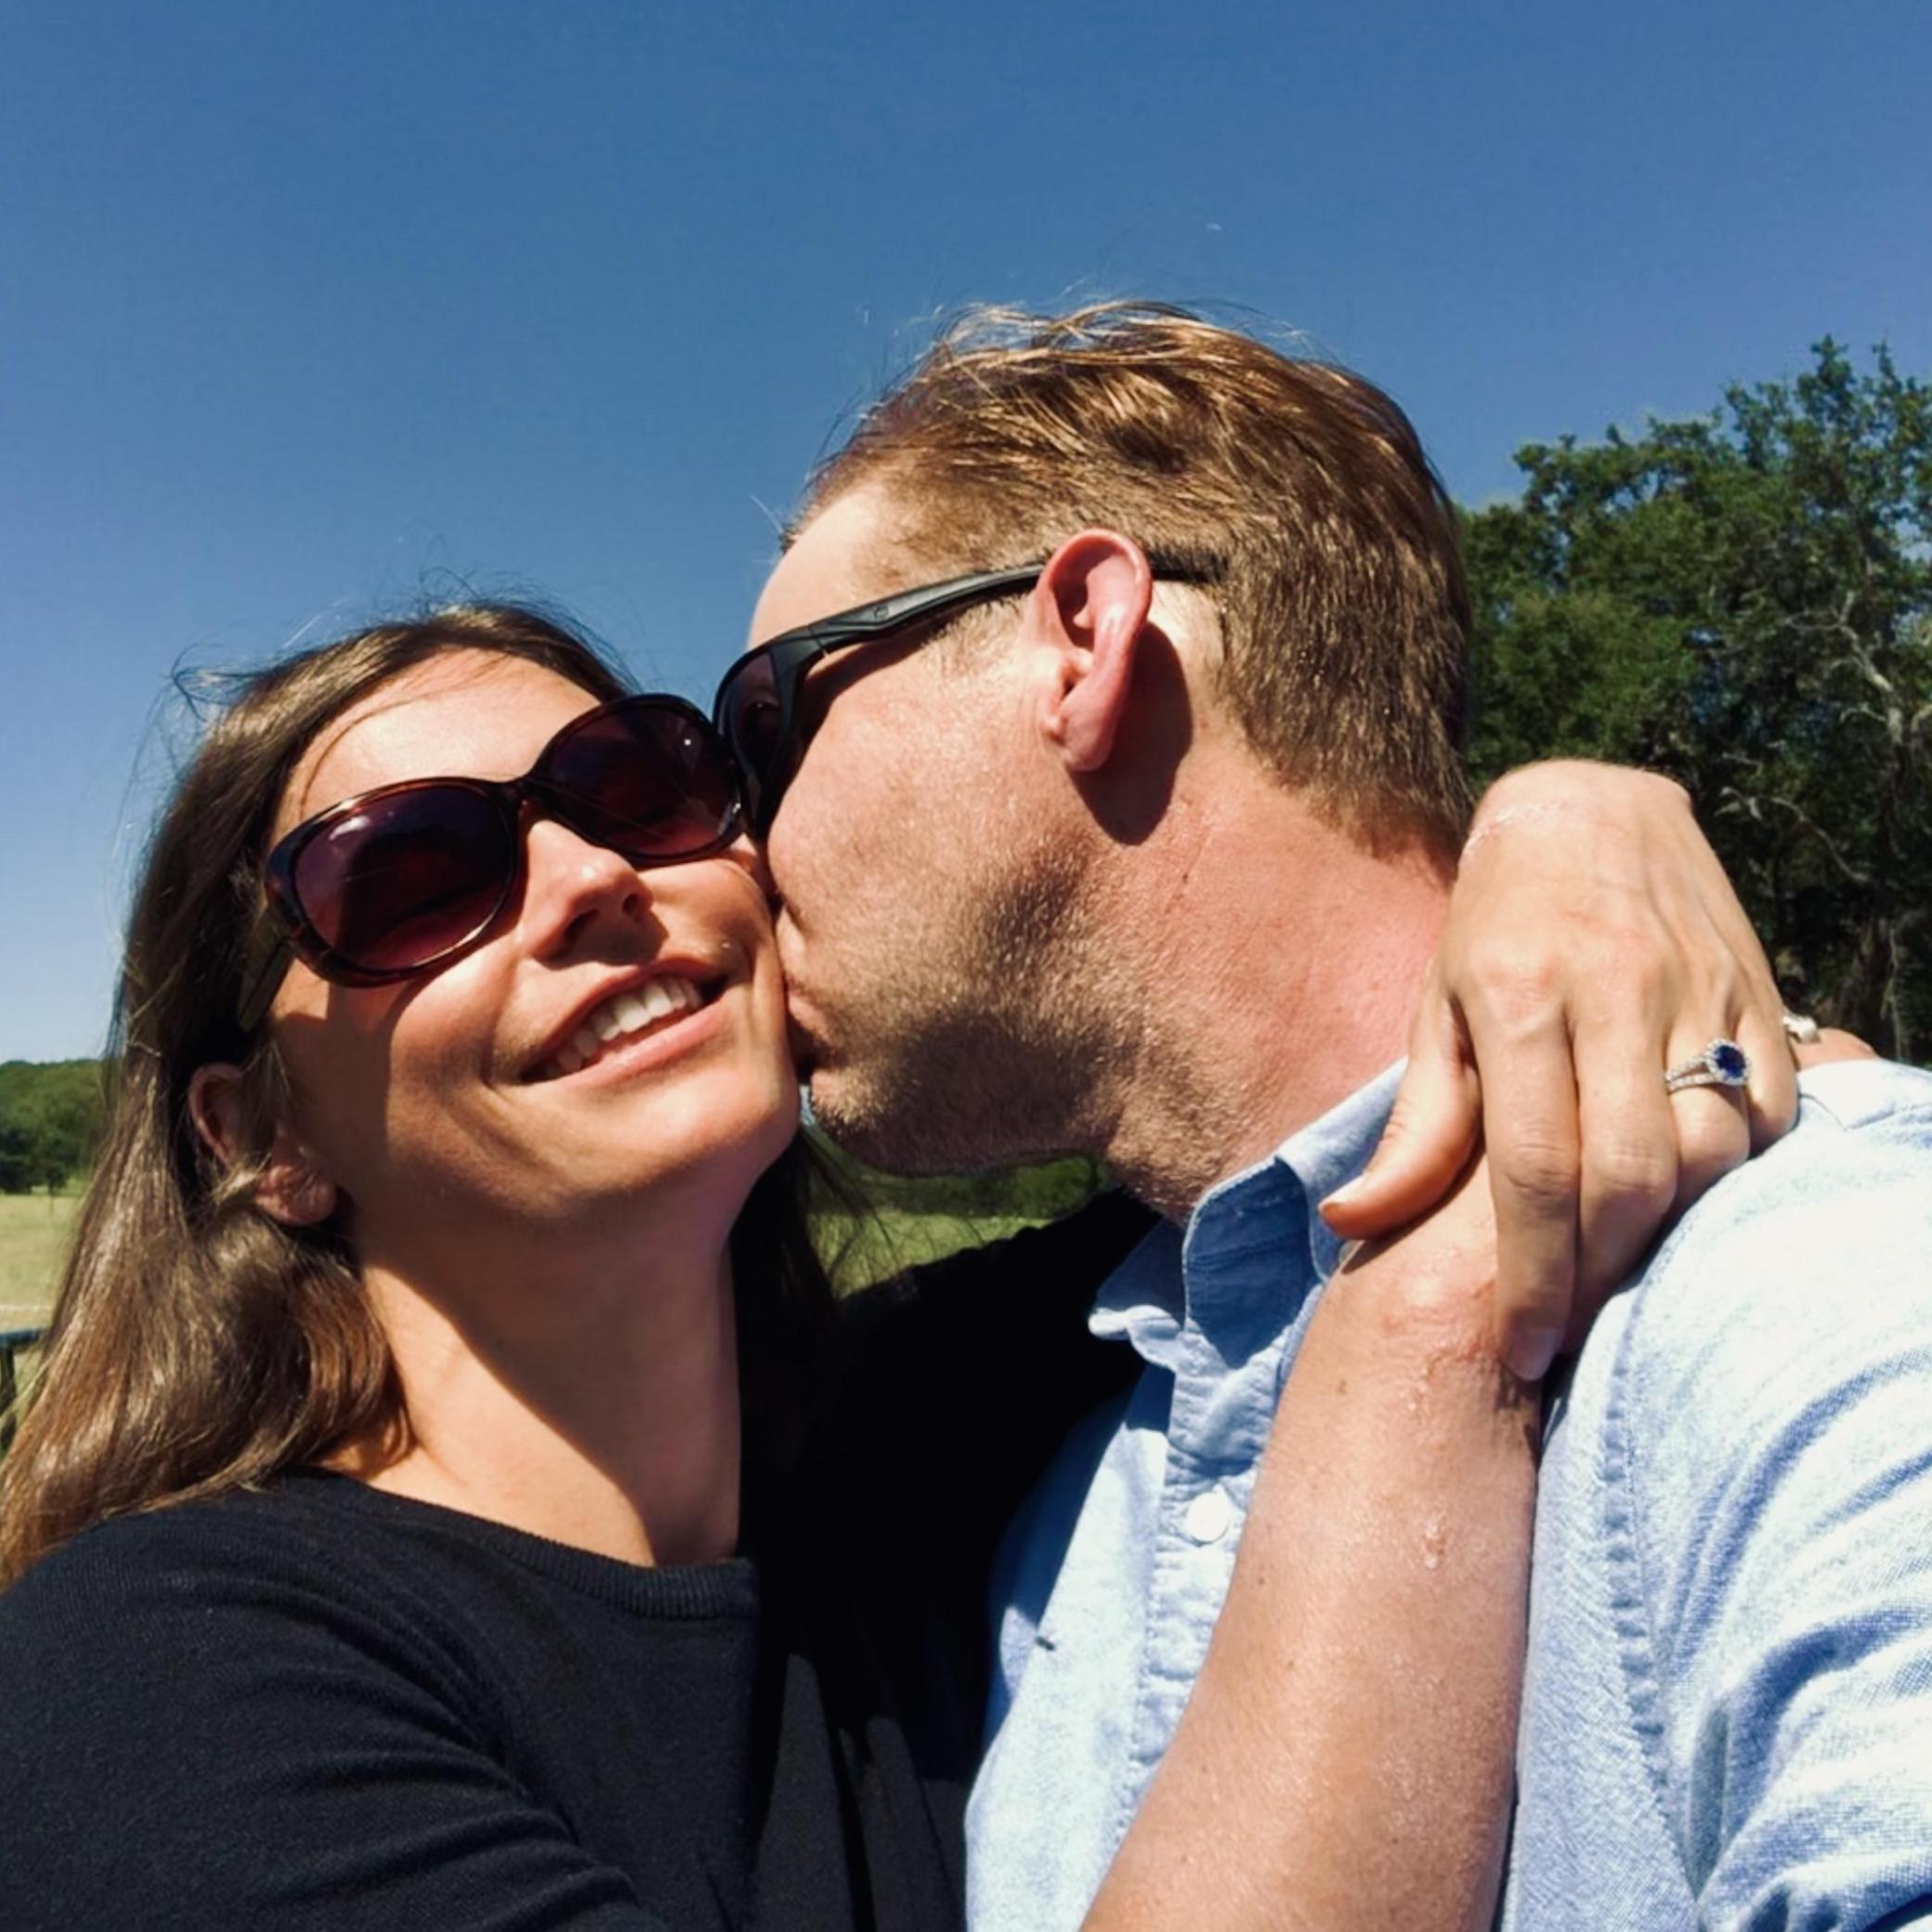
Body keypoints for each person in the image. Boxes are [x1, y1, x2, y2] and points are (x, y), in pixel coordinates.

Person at [0, 601, 1796, 1931]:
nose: (582, 880)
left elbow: (1358, 1099)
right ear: (263, 1141)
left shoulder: (925, 1447)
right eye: (408, 878)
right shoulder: (152, 1683)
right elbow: (1439, 1187)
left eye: (633, 784)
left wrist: (1576, 824)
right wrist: (1435, 1321)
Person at [724, 302, 1932, 1930]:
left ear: (1080, 637)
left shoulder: (1824, 1286)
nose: (735, 851)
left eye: (769, 727)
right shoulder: (1031, 1474)